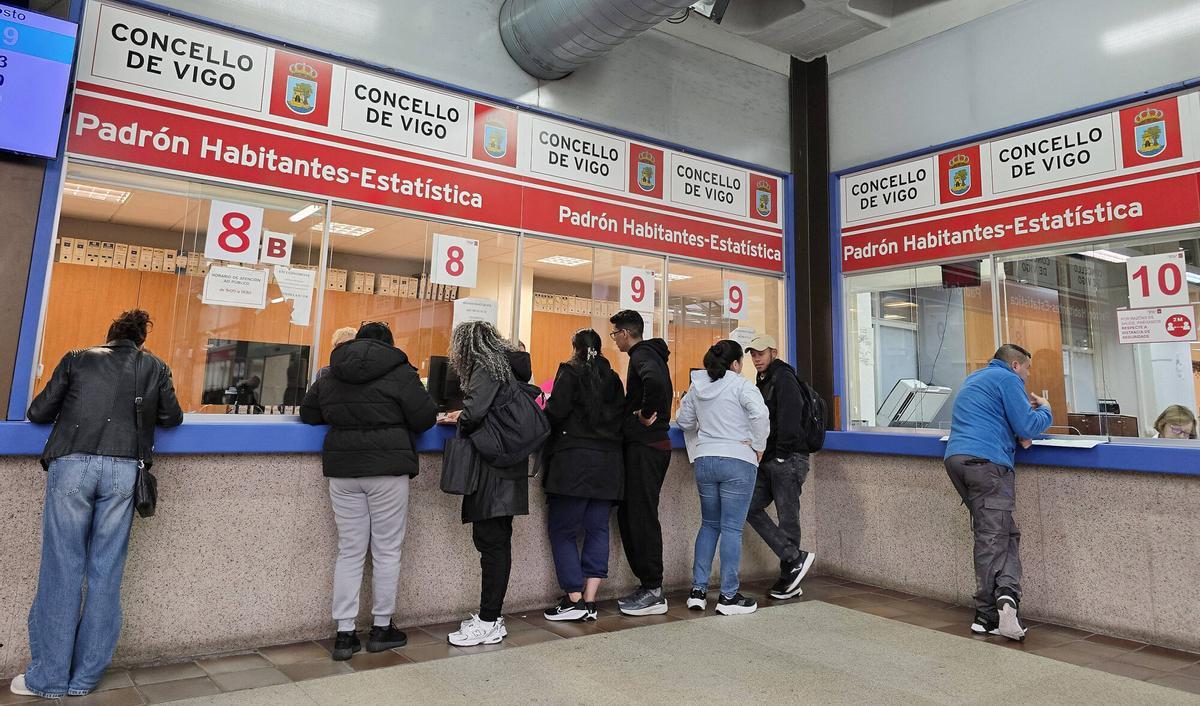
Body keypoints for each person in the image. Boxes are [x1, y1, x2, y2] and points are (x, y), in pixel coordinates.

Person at [12, 310, 183, 700]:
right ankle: (84, 678)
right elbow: (172, 418)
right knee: (106, 572)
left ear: (109, 336)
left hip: (72, 466)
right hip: (124, 472)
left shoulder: (77, 357)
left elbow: (38, 411)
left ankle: (49, 679)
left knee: (62, 569)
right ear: (141, 340)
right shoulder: (155, 366)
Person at [300, 322, 437, 661]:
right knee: (387, 550)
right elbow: (425, 418)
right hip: (388, 471)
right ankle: (380, 628)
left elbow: (308, 413)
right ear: (389, 344)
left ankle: (344, 634)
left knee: (349, 551)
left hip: (343, 472)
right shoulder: (400, 371)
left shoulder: (332, 372)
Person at [944, 343, 1052, 642]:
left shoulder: (975, 378)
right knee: (991, 537)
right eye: (1027, 369)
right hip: (987, 464)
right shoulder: (1008, 379)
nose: (1027, 377)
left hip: (958, 460)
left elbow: (1001, 421)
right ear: (1016, 365)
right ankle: (986, 614)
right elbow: (1028, 426)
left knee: (1003, 532)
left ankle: (1006, 596)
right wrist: (1045, 409)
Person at [443, 321, 530, 646]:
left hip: (492, 470)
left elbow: (476, 411)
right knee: (496, 542)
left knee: (492, 544)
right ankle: (492, 616)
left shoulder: (487, 369)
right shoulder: (506, 368)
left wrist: (460, 416)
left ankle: (489, 620)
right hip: (507, 466)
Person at [677, 340, 769, 615]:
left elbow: (683, 422)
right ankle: (728, 596)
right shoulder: (741, 385)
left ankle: (698, 591)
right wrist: (758, 446)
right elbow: (760, 414)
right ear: (736, 364)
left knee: (709, 525)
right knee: (731, 529)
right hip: (737, 460)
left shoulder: (697, 387)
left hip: (705, 460)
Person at [540, 329, 625, 622]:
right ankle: (590, 600)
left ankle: (573, 600)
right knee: (597, 529)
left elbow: (556, 411)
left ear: (575, 348)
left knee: (563, 531)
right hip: (608, 465)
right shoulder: (612, 378)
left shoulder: (570, 372)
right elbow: (620, 418)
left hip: (573, 463)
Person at [608, 309, 674, 616]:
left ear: (624, 333)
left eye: (615, 335)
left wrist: (646, 415)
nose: (615, 341)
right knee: (635, 514)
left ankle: (653, 589)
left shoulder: (642, 355)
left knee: (641, 516)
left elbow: (656, 384)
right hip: (649, 447)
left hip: (646, 448)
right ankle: (649, 585)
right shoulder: (651, 354)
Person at [744, 334, 816, 601]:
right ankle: (794, 559)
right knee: (749, 505)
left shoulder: (783, 377)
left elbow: (790, 415)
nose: (756, 358)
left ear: (773, 351)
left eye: (761, 353)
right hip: (770, 458)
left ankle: (790, 578)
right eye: (752, 354)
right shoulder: (762, 381)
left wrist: (783, 454)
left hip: (788, 458)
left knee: (788, 519)